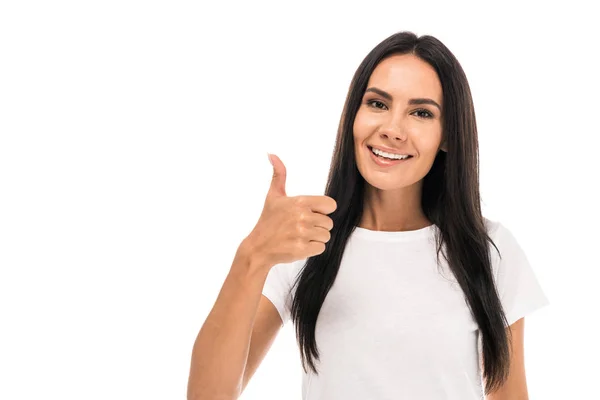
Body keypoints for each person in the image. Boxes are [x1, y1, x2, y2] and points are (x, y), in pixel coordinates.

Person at [187, 30, 549, 400]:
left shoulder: (490, 249)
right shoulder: (305, 240)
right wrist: (253, 255)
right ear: (353, 116)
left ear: (448, 136)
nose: (392, 129)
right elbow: (207, 396)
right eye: (377, 104)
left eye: (421, 113)